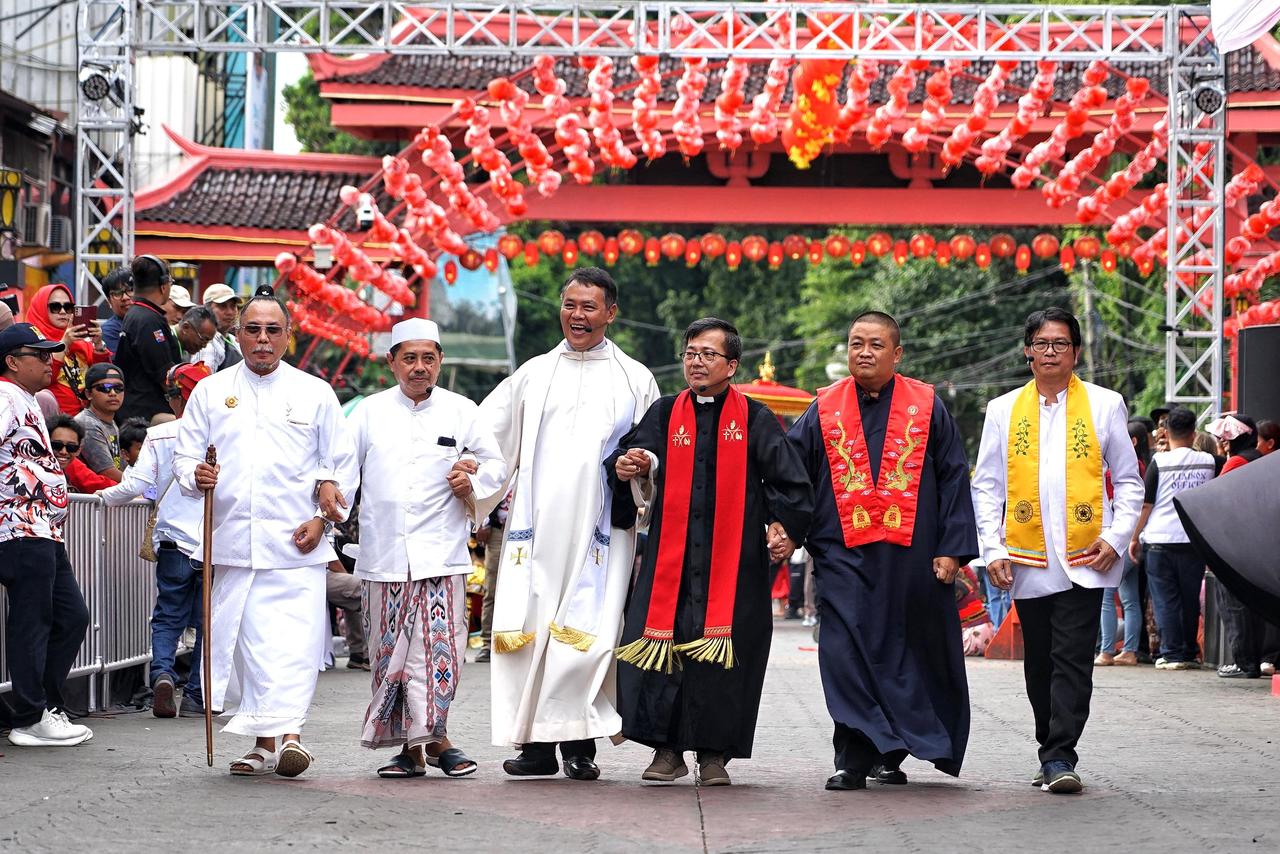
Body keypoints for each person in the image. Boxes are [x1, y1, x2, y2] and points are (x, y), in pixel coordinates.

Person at [609, 317, 813, 786]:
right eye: (690, 354)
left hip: (734, 564)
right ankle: (666, 750)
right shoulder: (664, 412)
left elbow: (790, 481)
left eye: (707, 354)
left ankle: (714, 755)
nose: (696, 362)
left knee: (727, 655)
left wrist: (783, 524)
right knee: (662, 647)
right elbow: (635, 458)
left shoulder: (756, 419)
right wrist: (631, 466)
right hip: (672, 561)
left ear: (732, 365)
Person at [477, 266, 660, 781]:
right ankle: (535, 746)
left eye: (589, 307)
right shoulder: (532, 374)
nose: (577, 316)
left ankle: (580, 745)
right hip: (534, 530)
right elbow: (489, 441)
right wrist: (472, 473)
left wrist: (643, 466)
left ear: (611, 313)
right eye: (570, 304)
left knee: (590, 633)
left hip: (601, 532)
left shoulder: (635, 378)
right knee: (532, 630)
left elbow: (655, 448)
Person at [788, 311, 977, 792]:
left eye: (875, 344)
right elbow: (792, 470)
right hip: (843, 556)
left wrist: (952, 548)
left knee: (903, 654)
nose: (865, 352)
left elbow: (953, 475)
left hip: (912, 559)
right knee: (844, 654)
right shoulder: (825, 407)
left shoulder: (926, 405)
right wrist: (786, 526)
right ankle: (852, 759)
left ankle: (890, 754)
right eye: (856, 343)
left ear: (897, 354)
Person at [174, 293, 356, 778]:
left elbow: (338, 465)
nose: (262, 339)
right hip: (235, 544)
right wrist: (195, 474)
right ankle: (261, 744)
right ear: (238, 335)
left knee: (294, 647)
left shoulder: (315, 392)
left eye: (273, 330)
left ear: (288, 336)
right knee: (249, 649)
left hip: (298, 544)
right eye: (253, 329)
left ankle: (291, 737)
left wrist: (323, 519)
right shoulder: (210, 391)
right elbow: (185, 457)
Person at [972, 307, 1142, 795]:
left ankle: (1061, 755)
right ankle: (1049, 745)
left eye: (1061, 343)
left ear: (1076, 352)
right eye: (1042, 343)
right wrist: (993, 549)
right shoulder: (1003, 409)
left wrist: (1115, 538)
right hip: (1028, 561)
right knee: (1040, 663)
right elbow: (987, 486)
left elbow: (1129, 482)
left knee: (1072, 658)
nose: (1051, 352)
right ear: (1028, 351)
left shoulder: (1105, 405)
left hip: (1087, 557)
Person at [347, 317, 507, 779]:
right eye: (410, 358)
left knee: (441, 654)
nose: (419, 367)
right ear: (392, 362)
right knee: (388, 657)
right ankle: (419, 750)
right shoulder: (368, 413)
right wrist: (328, 506)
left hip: (441, 556)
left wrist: (471, 479)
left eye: (428, 358)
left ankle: (435, 738)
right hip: (383, 558)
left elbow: (495, 466)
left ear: (440, 361)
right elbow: (341, 471)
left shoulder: (462, 410)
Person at [98, 362, 212, 718]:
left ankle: (162, 673)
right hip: (215, 542)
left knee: (167, 616)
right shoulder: (227, 433)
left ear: (177, 398)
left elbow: (136, 484)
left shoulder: (161, 434)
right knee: (208, 622)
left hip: (174, 540)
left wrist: (101, 499)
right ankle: (196, 694)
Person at [0, 322, 94, 747]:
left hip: (41, 529)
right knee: (32, 622)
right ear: (12, 361)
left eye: (49, 353)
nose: (49, 360)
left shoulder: (25, 398)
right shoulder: (5, 396)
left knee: (72, 616)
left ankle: (44, 709)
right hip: (19, 527)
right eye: (38, 354)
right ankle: (29, 717)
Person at [1125, 407, 1215, 672]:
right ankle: (1189, 652)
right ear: (1194, 433)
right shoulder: (1210, 462)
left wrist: (1134, 537)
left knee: (1165, 599)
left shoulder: (1159, 462)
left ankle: (1172, 653)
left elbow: (1146, 505)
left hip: (1160, 540)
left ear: (1166, 432)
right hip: (1193, 540)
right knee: (1189, 599)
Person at [1206, 413, 1268, 678]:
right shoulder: (1261, 459)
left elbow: (1219, 500)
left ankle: (1243, 661)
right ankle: (1252, 660)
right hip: (1256, 542)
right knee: (1252, 605)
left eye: (1226, 438)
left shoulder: (1236, 462)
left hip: (1233, 543)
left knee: (1233, 604)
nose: (1222, 442)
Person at [1097, 419, 1154, 667]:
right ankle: (1129, 650)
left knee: (1106, 594)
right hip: (1136, 538)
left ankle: (1107, 650)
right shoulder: (1144, 465)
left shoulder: (1126, 467)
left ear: (1132, 441)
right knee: (1129, 597)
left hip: (1125, 538)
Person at [26, 283, 111, 415]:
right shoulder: (32, 342)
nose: (63, 312)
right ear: (41, 309)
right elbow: (41, 380)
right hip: (55, 421)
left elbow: (105, 377)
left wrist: (98, 345)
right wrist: (64, 343)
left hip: (88, 418)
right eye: (55, 307)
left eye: (68, 307)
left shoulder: (82, 342)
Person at [115, 255, 178, 424]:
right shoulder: (148, 320)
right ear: (164, 285)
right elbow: (165, 376)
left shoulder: (137, 314)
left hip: (135, 411)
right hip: (147, 417)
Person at [74, 363, 127, 482]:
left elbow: (119, 466)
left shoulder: (110, 422)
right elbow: (108, 472)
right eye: (104, 388)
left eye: (118, 388)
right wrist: (142, 486)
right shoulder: (87, 424)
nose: (113, 393)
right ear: (88, 394)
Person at [475, 494, 510, 663]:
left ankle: (517, 639)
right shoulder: (503, 473)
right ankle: (487, 644)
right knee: (492, 588)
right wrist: (484, 522)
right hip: (497, 530)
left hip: (526, 530)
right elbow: (487, 493)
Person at [46, 414, 116, 493]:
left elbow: (97, 483)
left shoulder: (73, 465)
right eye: (57, 445)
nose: (63, 452)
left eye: (71, 447)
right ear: (45, 444)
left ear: (79, 449)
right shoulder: (35, 469)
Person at [194, 283, 243, 373]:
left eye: (233, 306)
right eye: (222, 306)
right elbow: (202, 379)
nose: (230, 312)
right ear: (207, 309)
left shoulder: (233, 339)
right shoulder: (207, 345)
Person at [99, 268, 134, 357]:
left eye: (130, 290)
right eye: (117, 293)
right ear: (109, 302)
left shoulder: (151, 320)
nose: (125, 297)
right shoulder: (108, 331)